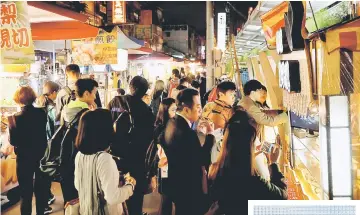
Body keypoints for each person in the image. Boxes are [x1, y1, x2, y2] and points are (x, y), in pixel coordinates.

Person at [208, 110, 287, 214]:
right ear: (248, 148)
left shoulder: (215, 172)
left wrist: (253, 154)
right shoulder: (254, 182)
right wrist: (273, 163)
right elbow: (283, 196)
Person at [160, 88, 214, 215]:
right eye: (198, 106)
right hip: (188, 188)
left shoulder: (171, 123)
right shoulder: (187, 133)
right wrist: (210, 135)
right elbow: (202, 159)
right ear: (186, 109)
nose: (200, 110)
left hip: (176, 183)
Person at [74, 109, 136, 215]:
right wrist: (130, 186)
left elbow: (77, 185)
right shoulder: (104, 159)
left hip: (86, 209)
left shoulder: (80, 155)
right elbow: (112, 198)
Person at [108, 76, 155, 215]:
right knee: (135, 191)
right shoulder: (146, 110)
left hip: (114, 154)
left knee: (116, 188)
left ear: (130, 86)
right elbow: (149, 140)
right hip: (136, 158)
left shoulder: (114, 101)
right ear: (145, 92)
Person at [8, 86, 49, 215]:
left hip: (24, 157)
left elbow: (14, 141)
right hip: (41, 155)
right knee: (41, 189)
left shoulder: (13, 118)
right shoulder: (42, 113)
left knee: (25, 192)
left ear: (18, 99)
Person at [60, 78, 98, 207]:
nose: (95, 96)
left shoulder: (66, 109)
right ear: (86, 93)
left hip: (66, 159)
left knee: (71, 203)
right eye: (94, 93)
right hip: (82, 162)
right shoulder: (88, 114)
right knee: (83, 202)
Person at [238, 80, 287, 179]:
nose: (262, 94)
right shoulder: (250, 105)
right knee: (264, 166)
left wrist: (279, 112)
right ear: (253, 92)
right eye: (260, 91)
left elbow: (262, 112)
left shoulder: (247, 102)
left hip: (254, 140)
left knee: (270, 152)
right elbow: (268, 121)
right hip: (252, 142)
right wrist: (287, 115)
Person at [35, 81, 61, 211]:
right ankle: (45, 202)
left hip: (37, 145)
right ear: (54, 93)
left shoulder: (38, 105)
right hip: (47, 146)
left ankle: (47, 197)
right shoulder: (52, 109)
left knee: (41, 175)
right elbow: (53, 131)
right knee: (45, 174)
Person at [154, 98, 176, 215]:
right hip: (165, 167)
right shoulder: (162, 128)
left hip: (170, 167)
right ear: (166, 111)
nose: (175, 112)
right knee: (166, 199)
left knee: (167, 199)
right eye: (173, 110)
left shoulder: (171, 125)